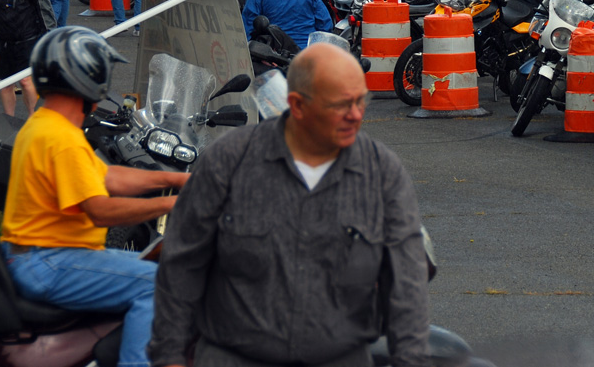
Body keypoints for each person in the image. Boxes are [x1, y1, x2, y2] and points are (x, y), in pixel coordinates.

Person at [150, 42, 431, 367]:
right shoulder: (229, 162)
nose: (356, 114)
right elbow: (182, 265)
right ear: (297, 105)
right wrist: (169, 356)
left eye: (360, 100)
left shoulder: (382, 173)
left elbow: (406, 283)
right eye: (341, 104)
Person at [1, 27, 187, 367]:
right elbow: (99, 209)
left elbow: (109, 176)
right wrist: (170, 203)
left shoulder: (45, 124)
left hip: (34, 257)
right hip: (50, 262)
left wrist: (180, 179)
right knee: (159, 283)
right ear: (88, 76)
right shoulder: (62, 138)